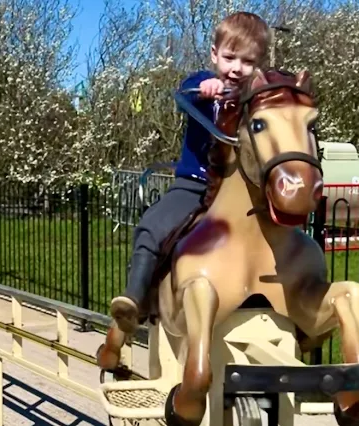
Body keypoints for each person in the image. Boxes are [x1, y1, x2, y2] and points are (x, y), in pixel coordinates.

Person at [110, 11, 271, 334]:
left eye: (248, 61)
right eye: (229, 57)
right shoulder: (201, 86)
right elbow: (186, 91)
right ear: (215, 55)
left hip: (241, 192)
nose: (237, 68)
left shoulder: (256, 102)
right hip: (196, 184)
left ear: (260, 64)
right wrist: (206, 87)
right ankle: (135, 298)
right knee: (152, 227)